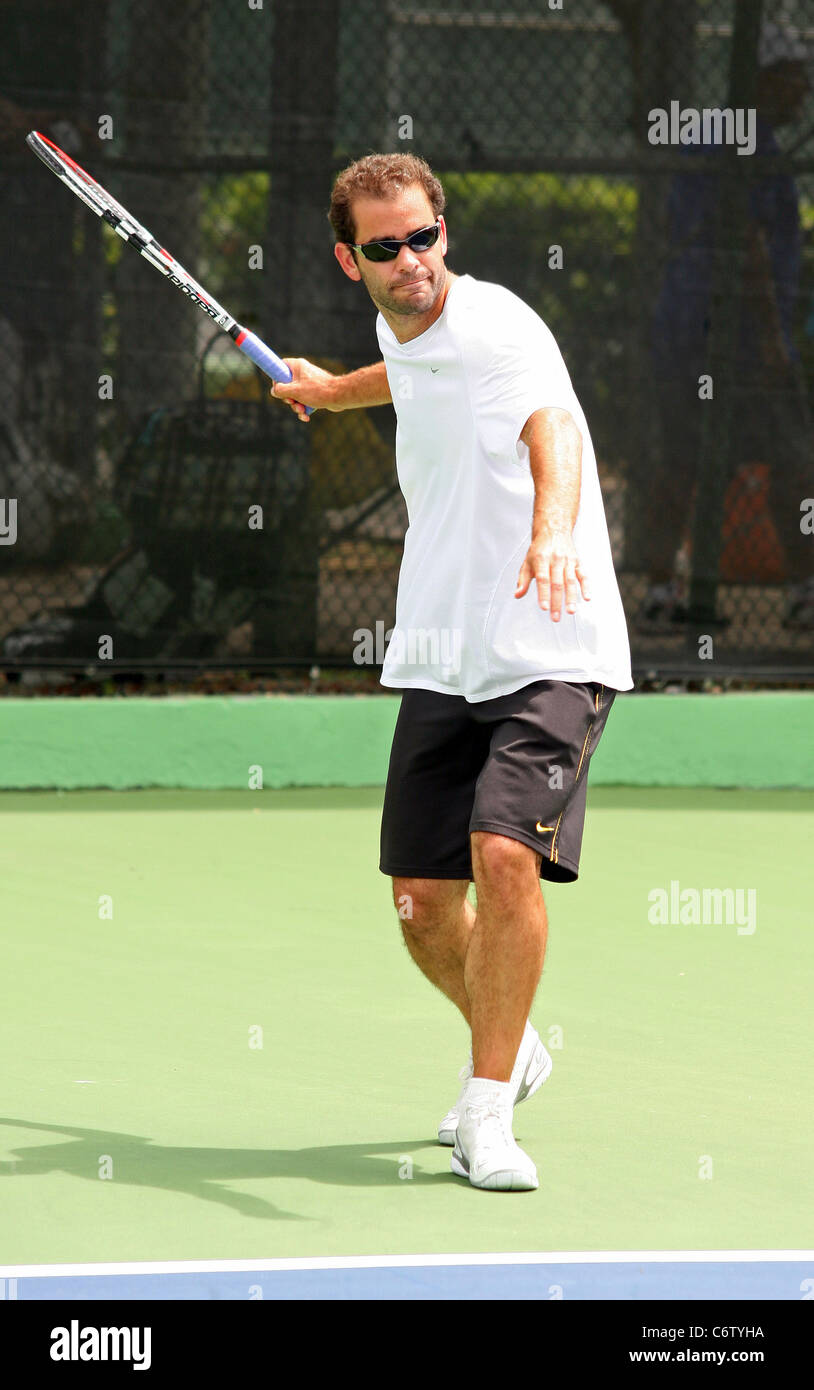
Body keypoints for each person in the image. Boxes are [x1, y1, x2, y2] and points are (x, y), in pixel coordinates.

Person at [271, 153, 633, 1192]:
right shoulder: (407, 326)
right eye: (384, 247)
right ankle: (510, 1043)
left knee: (502, 852)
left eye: (423, 236)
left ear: (444, 233)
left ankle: (486, 1113)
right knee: (422, 902)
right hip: (443, 647)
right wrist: (331, 392)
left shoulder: (498, 324)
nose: (411, 261)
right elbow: (414, 371)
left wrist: (554, 530)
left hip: (552, 645)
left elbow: (551, 425)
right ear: (354, 262)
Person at [644, 19, 813, 625]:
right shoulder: (752, 143)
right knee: (793, 462)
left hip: (684, 331)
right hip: (734, 340)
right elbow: (748, 244)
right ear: (766, 80)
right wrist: (771, 340)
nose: (804, 92)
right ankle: (804, 593)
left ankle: (663, 591)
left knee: (680, 460)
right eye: (796, 79)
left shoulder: (703, 133)